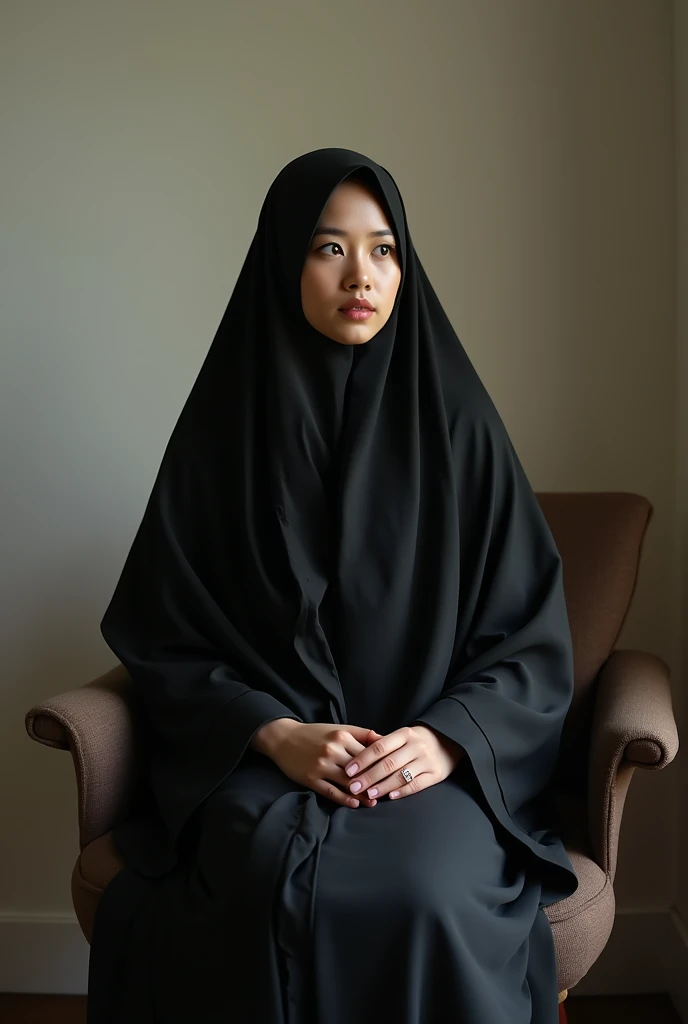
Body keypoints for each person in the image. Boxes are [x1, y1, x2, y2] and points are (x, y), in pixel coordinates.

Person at [88, 147, 579, 1023]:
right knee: (255, 880)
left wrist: (447, 740)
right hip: (261, 768)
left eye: (384, 249)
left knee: (426, 892)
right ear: (285, 260)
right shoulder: (220, 436)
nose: (362, 274)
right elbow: (163, 634)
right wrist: (274, 735)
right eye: (330, 247)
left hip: (433, 775)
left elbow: (530, 637)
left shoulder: (460, 430)